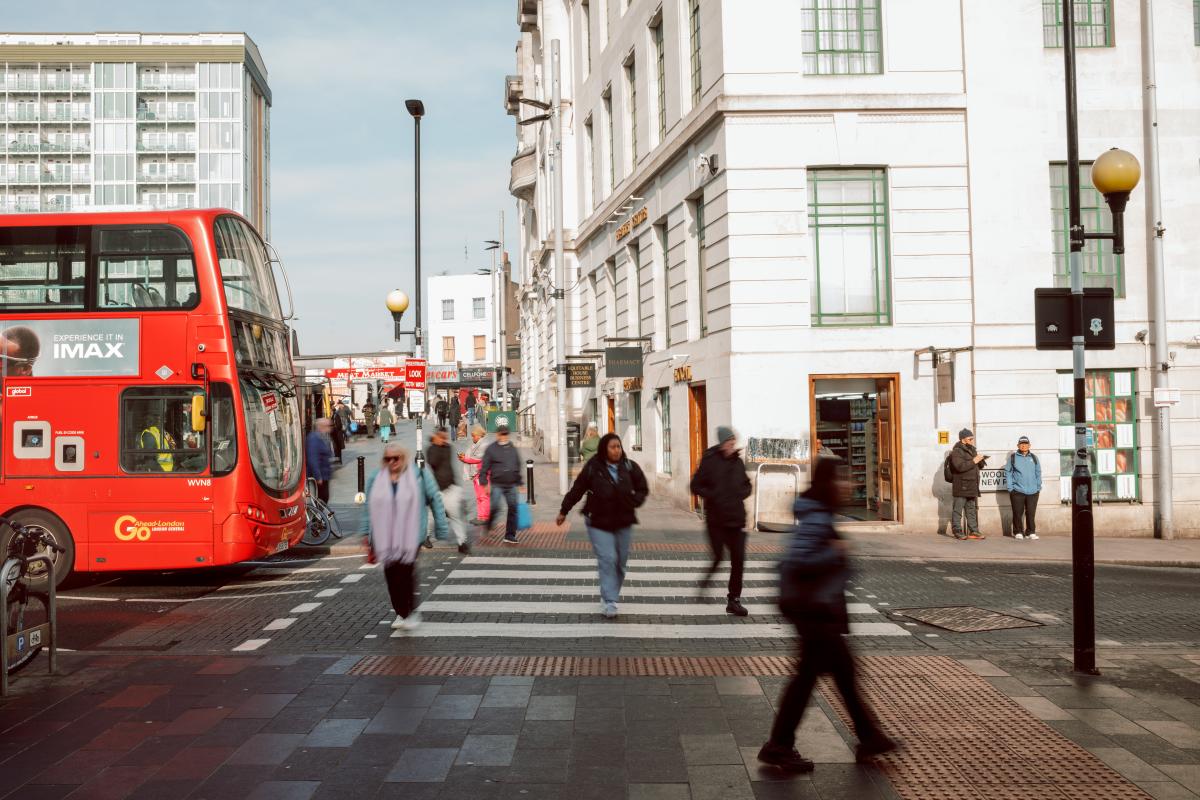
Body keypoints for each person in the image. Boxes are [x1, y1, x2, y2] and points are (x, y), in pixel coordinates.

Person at [758, 457, 896, 772]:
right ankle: (779, 744)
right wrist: (833, 553)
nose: (849, 485)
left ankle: (867, 736)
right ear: (828, 484)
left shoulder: (818, 514)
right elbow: (799, 561)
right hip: (813, 610)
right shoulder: (817, 518)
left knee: (840, 674)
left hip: (816, 609)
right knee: (814, 678)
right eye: (842, 479)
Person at [557, 432, 649, 618]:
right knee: (607, 558)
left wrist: (634, 501)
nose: (617, 450)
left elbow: (642, 488)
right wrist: (563, 511)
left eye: (619, 447)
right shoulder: (593, 467)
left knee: (620, 562)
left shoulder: (629, 466)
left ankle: (608, 593)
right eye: (612, 447)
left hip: (623, 520)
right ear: (604, 449)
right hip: (598, 521)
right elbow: (578, 489)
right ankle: (610, 600)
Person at [365, 444, 448, 632]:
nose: (392, 462)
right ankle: (402, 610)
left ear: (404, 457)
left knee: (404, 573)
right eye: (388, 459)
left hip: (411, 534)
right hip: (385, 535)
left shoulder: (419, 475)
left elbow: (435, 498)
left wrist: (441, 528)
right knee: (391, 575)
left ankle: (408, 611)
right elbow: (368, 510)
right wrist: (366, 535)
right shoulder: (376, 478)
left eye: (396, 458)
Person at [690, 426, 754, 617]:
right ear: (721, 443)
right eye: (729, 442)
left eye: (733, 442)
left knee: (738, 561)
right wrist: (714, 496)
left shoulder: (738, 462)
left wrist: (740, 494)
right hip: (717, 521)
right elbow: (695, 485)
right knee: (718, 557)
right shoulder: (710, 461)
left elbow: (747, 485)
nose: (732, 445)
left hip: (736, 520)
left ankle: (733, 600)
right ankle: (705, 582)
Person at [426, 426, 470, 554]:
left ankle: (462, 543)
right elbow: (433, 462)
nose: (444, 440)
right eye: (442, 437)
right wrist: (436, 445)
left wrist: (439, 444)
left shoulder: (448, 448)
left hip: (450, 487)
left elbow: (443, 463)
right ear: (436, 436)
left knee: (456, 516)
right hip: (436, 489)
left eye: (445, 437)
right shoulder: (431, 450)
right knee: (431, 517)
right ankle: (426, 537)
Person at [479, 422, 523, 544]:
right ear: (497, 434)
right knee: (495, 507)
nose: (504, 437)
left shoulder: (512, 447)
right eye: (502, 434)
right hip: (497, 484)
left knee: (513, 508)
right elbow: (484, 468)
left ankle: (509, 535)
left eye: (506, 434)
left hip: (512, 484)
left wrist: (520, 482)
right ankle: (488, 525)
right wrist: (484, 483)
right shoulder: (491, 449)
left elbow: (517, 464)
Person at [947, 428, 987, 540]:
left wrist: (981, 460)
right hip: (961, 485)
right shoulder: (956, 452)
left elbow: (977, 466)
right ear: (963, 439)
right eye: (970, 438)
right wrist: (974, 460)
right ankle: (957, 531)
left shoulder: (972, 450)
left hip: (971, 485)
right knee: (958, 510)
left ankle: (974, 531)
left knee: (971, 510)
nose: (972, 440)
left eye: (972, 438)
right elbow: (960, 467)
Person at [1005, 435, 1042, 540]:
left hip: (1033, 491)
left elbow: (1038, 472)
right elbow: (1008, 472)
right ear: (1018, 445)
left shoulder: (1034, 458)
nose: (1023, 446)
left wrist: (1038, 486)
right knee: (1017, 512)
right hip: (1017, 490)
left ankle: (1031, 532)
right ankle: (1018, 531)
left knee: (1031, 512)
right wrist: (1010, 487)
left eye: (1025, 444)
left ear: (1029, 445)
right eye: (1021, 444)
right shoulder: (1013, 457)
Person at [459, 424, 490, 524]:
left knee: (483, 496)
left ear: (479, 435)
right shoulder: (475, 445)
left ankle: (484, 517)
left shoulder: (483, 445)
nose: (472, 437)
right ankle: (480, 516)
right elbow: (472, 456)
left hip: (482, 474)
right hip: (476, 474)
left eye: (474, 435)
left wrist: (465, 459)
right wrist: (465, 457)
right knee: (479, 496)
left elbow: (477, 459)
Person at [306, 417, 334, 504]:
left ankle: (317, 517)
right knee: (321, 499)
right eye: (329, 426)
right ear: (321, 427)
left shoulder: (322, 437)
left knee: (323, 499)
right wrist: (318, 477)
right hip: (318, 476)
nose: (331, 428)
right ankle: (316, 517)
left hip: (324, 474)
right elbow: (313, 458)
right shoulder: (314, 438)